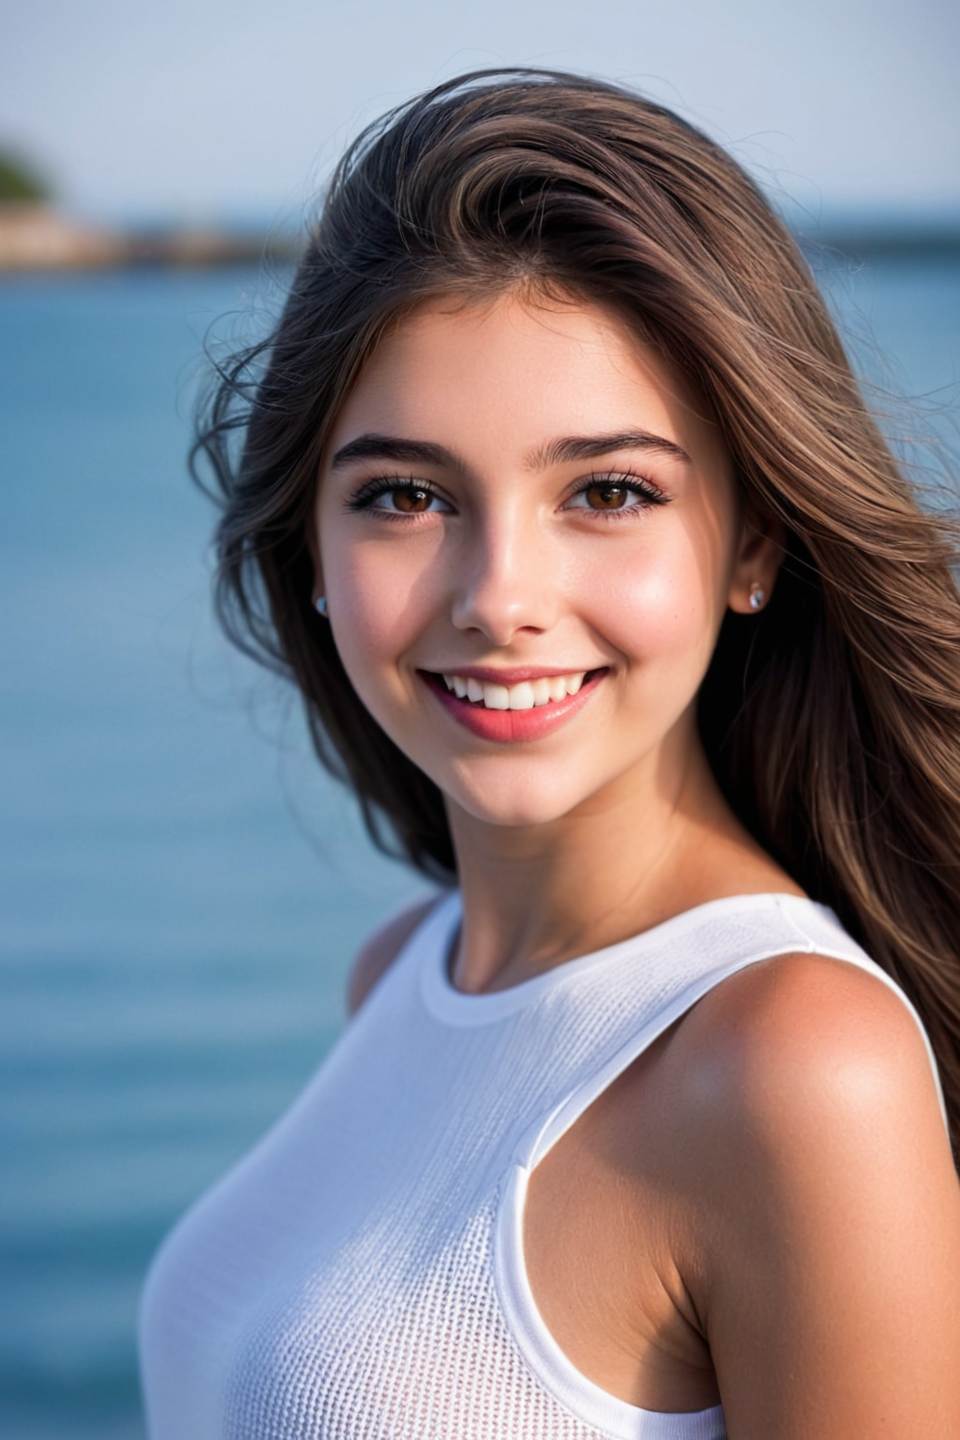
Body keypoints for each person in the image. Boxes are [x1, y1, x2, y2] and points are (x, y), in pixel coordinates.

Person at [137, 67, 960, 1438]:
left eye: (608, 492)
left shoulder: (795, 1065)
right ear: (315, 549)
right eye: (404, 495)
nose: (498, 595)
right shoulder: (402, 970)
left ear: (755, 541)